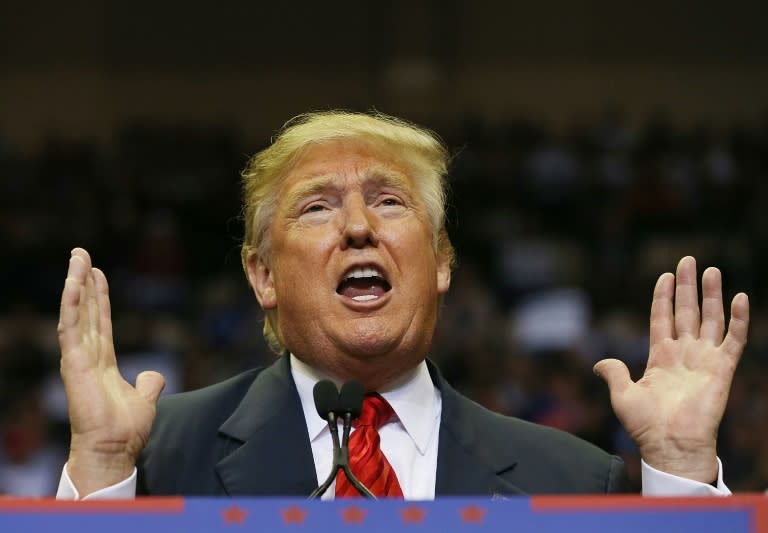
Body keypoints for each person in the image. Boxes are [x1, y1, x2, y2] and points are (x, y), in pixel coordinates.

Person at [56, 111, 749, 500]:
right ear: (262, 275)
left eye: (389, 201)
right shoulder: (153, 459)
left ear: (442, 261)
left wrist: (683, 469)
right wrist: (99, 465)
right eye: (318, 207)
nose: (359, 225)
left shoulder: (568, 479)